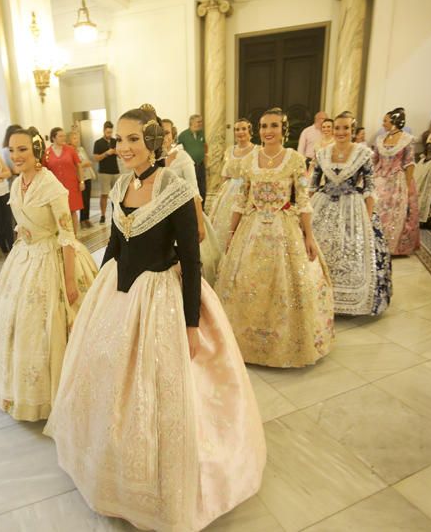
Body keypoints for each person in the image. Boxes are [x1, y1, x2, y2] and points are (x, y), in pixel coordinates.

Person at [45, 107, 266, 531]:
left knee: (161, 392)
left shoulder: (176, 188)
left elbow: (192, 259)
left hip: (161, 297)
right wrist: (95, 295)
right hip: (119, 292)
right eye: (120, 140)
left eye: (133, 140)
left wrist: (190, 325)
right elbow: (114, 247)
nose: (123, 148)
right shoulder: (120, 187)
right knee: (109, 382)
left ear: (153, 142)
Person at [0, 127, 97, 421]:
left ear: (36, 153)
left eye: (22, 149)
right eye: (12, 149)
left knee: (54, 325)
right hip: (25, 257)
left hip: (53, 259)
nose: (16, 155)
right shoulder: (17, 183)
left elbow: (67, 235)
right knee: (21, 325)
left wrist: (70, 280)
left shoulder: (52, 186)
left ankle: (61, 395)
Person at [215, 108, 334, 367]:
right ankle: (246, 342)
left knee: (287, 285)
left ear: (283, 129)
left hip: (284, 228)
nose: (268, 131)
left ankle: (288, 343)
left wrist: (309, 237)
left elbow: (302, 200)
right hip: (252, 228)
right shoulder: (249, 161)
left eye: (273, 126)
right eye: (263, 126)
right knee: (246, 283)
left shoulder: (293, 159)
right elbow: (240, 200)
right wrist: (232, 233)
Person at [310, 112, 392, 316]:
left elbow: (369, 186)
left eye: (345, 128)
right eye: (337, 128)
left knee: (350, 248)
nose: (340, 132)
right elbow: (313, 185)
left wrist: (368, 217)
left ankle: (348, 300)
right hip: (323, 204)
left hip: (353, 207)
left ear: (352, 130)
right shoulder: (322, 153)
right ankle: (318, 296)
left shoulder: (363, 154)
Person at [160, 115, 222, 285]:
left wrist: (200, 224)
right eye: (159, 133)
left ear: (172, 135)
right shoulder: (155, 160)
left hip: (183, 217)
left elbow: (194, 192)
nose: (163, 137)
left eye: (166, 133)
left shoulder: (182, 158)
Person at [372, 108, 420, 255]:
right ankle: (375, 242)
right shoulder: (381, 139)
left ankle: (394, 245)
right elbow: (374, 160)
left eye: (385, 120)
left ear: (394, 121)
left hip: (397, 179)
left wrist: (406, 185)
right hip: (380, 176)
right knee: (376, 205)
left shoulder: (407, 139)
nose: (383, 123)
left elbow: (409, 163)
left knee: (395, 211)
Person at [208, 118, 258, 251]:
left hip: (248, 191)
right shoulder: (229, 151)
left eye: (243, 129)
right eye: (237, 129)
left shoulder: (257, 151)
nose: (240, 132)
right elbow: (225, 174)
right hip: (229, 191)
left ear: (250, 131)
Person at [44, 127, 84, 234]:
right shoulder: (47, 153)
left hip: (71, 184)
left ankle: (74, 235)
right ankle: (63, 235)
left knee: (72, 210)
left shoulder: (70, 150)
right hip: (55, 188)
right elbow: (44, 171)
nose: (63, 138)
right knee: (58, 211)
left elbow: (79, 165)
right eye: (60, 136)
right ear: (53, 138)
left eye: (64, 136)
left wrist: (82, 181)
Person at [176, 113, 208, 205]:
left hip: (200, 164)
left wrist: (205, 156)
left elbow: (205, 146)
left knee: (202, 188)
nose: (200, 124)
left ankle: (202, 208)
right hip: (190, 166)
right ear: (191, 123)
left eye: (201, 122)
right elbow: (178, 149)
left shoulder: (201, 133)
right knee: (192, 187)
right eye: (198, 122)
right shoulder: (183, 135)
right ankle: (193, 207)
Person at [92, 121, 119, 223]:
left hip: (115, 171)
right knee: (104, 194)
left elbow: (120, 155)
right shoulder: (98, 143)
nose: (109, 135)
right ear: (103, 131)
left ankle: (116, 214)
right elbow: (96, 158)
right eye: (108, 132)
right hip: (104, 172)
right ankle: (103, 215)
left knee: (116, 194)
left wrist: (117, 152)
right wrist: (107, 153)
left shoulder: (115, 141)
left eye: (111, 132)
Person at [69, 131, 96, 226]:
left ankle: (86, 218)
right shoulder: (70, 151)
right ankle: (81, 220)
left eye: (78, 138)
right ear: (70, 139)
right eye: (75, 138)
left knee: (87, 198)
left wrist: (82, 163)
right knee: (82, 199)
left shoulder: (81, 149)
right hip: (79, 177)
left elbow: (88, 161)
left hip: (87, 175)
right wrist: (83, 164)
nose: (77, 140)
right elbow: (75, 165)